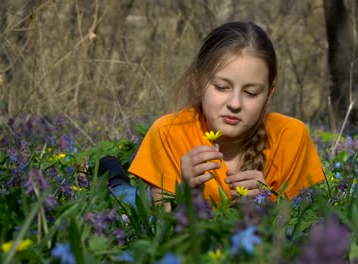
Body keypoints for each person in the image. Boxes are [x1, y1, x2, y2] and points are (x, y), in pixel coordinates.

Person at [103, 21, 325, 207]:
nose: (235, 103)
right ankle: (111, 173)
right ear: (198, 83)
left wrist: (266, 205)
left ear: (269, 92)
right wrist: (184, 192)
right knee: (127, 199)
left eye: (251, 92)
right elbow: (162, 220)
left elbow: (302, 219)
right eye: (221, 87)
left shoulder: (292, 136)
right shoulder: (168, 132)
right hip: (152, 207)